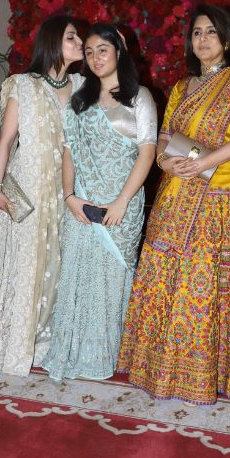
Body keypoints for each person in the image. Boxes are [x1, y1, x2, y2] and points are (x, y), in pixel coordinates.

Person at [116, 4, 230, 404]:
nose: (202, 39)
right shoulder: (182, 87)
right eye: (197, 32)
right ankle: (159, 366)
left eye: (210, 32)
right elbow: (165, 136)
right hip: (177, 191)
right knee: (165, 273)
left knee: (203, 282)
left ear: (226, 40)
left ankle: (207, 373)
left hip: (219, 196)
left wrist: (202, 163)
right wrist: (165, 162)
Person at [0, 15, 84, 376]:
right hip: (29, 186)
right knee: (28, 263)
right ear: (54, 42)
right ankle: (19, 339)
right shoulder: (23, 85)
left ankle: (48, 340)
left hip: (66, 188)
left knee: (59, 261)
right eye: (72, 37)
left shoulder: (82, 85)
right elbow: (7, 140)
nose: (79, 43)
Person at [41, 23, 157, 381]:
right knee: (80, 276)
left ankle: (110, 352)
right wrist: (70, 196)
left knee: (111, 278)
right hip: (83, 202)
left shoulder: (139, 97)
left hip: (122, 205)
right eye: (89, 52)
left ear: (118, 52)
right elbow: (69, 152)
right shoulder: (80, 99)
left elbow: (147, 153)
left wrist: (121, 202)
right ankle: (77, 350)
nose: (95, 58)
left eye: (102, 50)